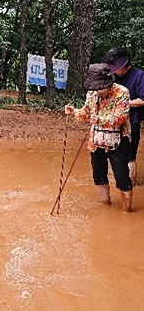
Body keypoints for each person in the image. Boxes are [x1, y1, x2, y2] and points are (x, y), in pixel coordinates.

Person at [64, 63, 133, 212]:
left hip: (119, 140)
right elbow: (86, 113)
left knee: (122, 178)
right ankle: (106, 205)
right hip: (96, 141)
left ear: (109, 83)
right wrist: (73, 112)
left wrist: (101, 120)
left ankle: (127, 211)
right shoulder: (92, 94)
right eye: (95, 88)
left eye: (100, 87)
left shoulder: (122, 92)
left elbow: (121, 117)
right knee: (99, 176)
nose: (97, 91)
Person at [103, 47, 144, 187]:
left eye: (116, 68)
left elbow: (142, 100)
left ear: (124, 65)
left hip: (132, 121)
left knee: (130, 157)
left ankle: (131, 187)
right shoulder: (115, 77)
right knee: (116, 154)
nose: (114, 71)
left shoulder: (139, 75)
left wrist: (123, 103)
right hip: (115, 122)